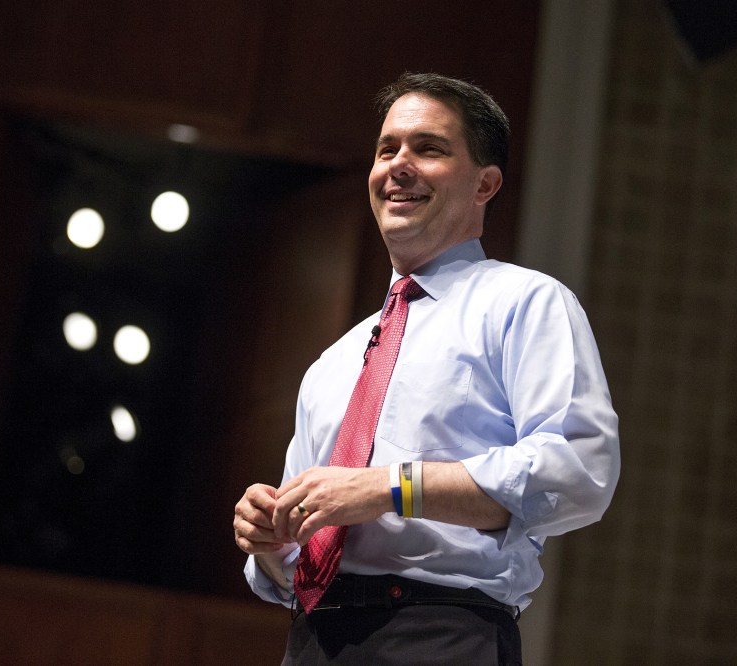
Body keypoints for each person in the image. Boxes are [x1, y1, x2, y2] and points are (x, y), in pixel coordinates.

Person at [233, 72, 620, 665]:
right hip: (311, 641)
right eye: (387, 149)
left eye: (429, 149)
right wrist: (270, 539)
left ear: (485, 184)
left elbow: (576, 469)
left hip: (442, 636)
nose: (399, 165)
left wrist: (389, 487)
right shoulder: (331, 364)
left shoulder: (525, 303)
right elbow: (298, 561)